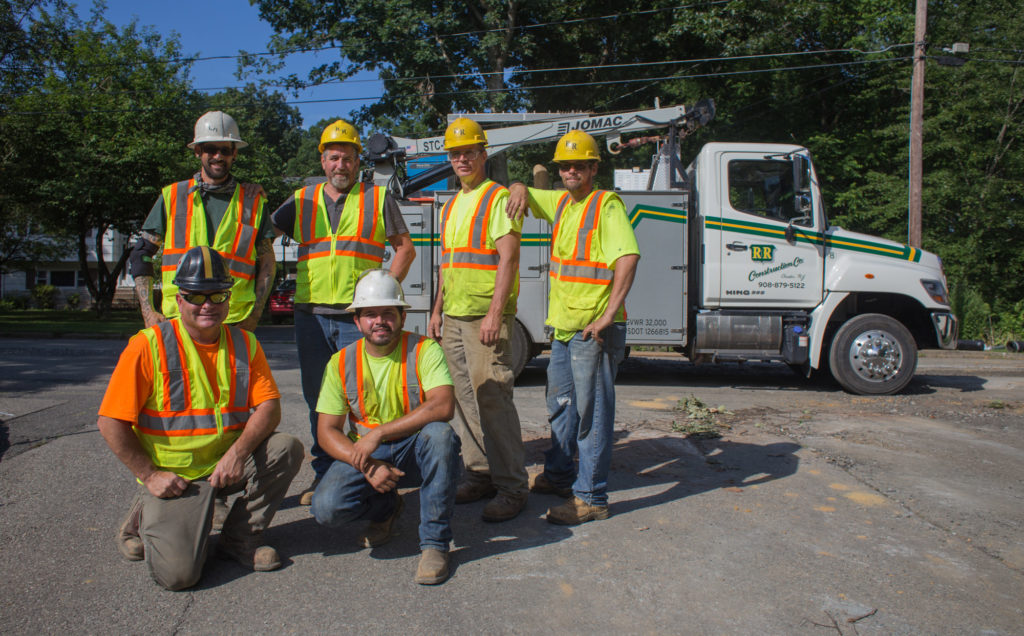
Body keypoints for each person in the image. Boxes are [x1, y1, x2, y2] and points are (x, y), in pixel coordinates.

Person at [98, 246, 303, 590]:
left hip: (225, 465)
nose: (207, 304)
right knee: (179, 576)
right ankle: (143, 514)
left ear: (228, 299)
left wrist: (237, 454)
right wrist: (150, 476)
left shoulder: (245, 343)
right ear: (179, 300)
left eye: (217, 295)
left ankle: (239, 539)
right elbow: (110, 422)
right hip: (177, 478)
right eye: (196, 296)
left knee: (286, 447)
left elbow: (269, 407)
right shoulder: (148, 346)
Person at [271, 120, 415, 505]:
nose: (341, 165)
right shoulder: (301, 199)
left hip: (357, 318)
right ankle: (326, 475)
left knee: (366, 399)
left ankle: (374, 473)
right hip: (311, 315)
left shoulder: (377, 198)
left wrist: (382, 296)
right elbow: (260, 237)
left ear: (357, 162)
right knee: (319, 400)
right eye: (334, 158)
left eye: (348, 158)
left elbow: (405, 249)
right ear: (323, 160)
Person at [506, 130, 640, 524]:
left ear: (594, 168)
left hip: (593, 330)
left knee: (592, 414)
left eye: (578, 165)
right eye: (564, 166)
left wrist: (607, 316)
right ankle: (560, 475)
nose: (570, 172)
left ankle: (591, 497)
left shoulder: (606, 205)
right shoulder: (563, 202)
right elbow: (526, 194)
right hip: (565, 329)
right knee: (560, 407)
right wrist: (517, 185)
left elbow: (628, 258)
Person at [311, 270, 460, 585]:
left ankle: (434, 544)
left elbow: (443, 406)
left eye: (388, 313)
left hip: (413, 448)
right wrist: (368, 466)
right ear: (357, 321)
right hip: (367, 453)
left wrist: (379, 433)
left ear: (403, 317)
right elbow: (326, 431)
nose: (379, 321)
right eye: (370, 314)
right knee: (326, 508)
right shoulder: (340, 362)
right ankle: (386, 509)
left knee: (440, 436)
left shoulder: (425, 350)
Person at [427, 117, 528, 522]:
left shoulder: (497, 198)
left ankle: (513, 487)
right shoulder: (452, 204)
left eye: (469, 152)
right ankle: (480, 472)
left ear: (483, 154)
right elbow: (447, 264)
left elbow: (509, 259)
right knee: (462, 399)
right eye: (456, 154)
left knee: (493, 398)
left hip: (484, 316)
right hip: (454, 315)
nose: (462, 159)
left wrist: (494, 314)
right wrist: (437, 309)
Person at [129, 111, 276, 333]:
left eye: (225, 150)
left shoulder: (253, 201)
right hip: (180, 316)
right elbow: (141, 253)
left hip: (234, 319)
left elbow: (267, 262)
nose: (218, 156)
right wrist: (148, 312)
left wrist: (255, 316)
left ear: (234, 154)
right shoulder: (173, 196)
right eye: (211, 149)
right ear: (198, 151)